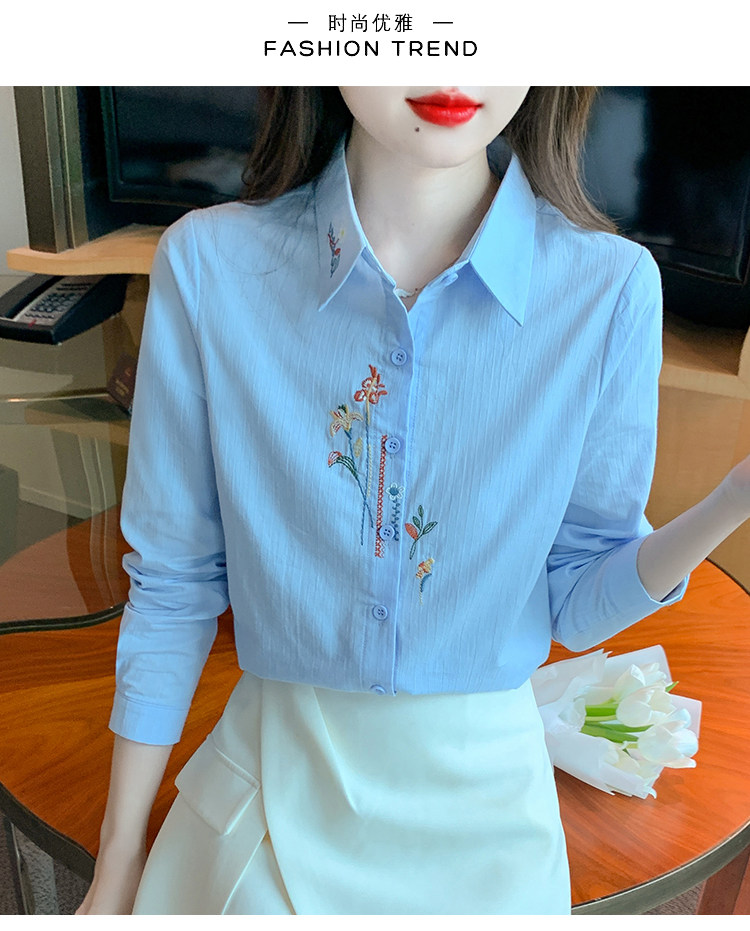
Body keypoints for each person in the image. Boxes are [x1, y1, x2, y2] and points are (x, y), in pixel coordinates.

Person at [77, 87, 750, 916]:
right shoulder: (209, 266)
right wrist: (117, 861)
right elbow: (173, 582)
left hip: (490, 819)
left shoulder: (609, 290)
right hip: (273, 792)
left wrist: (731, 499)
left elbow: (578, 600)